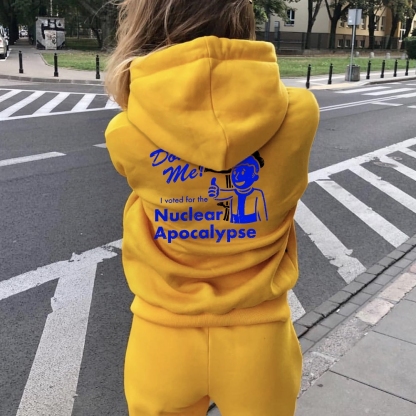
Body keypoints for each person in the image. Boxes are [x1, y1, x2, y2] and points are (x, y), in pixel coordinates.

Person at [105, 0, 319, 415]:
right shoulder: (299, 113)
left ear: (146, 26)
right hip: (259, 341)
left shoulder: (125, 131)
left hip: (162, 338)